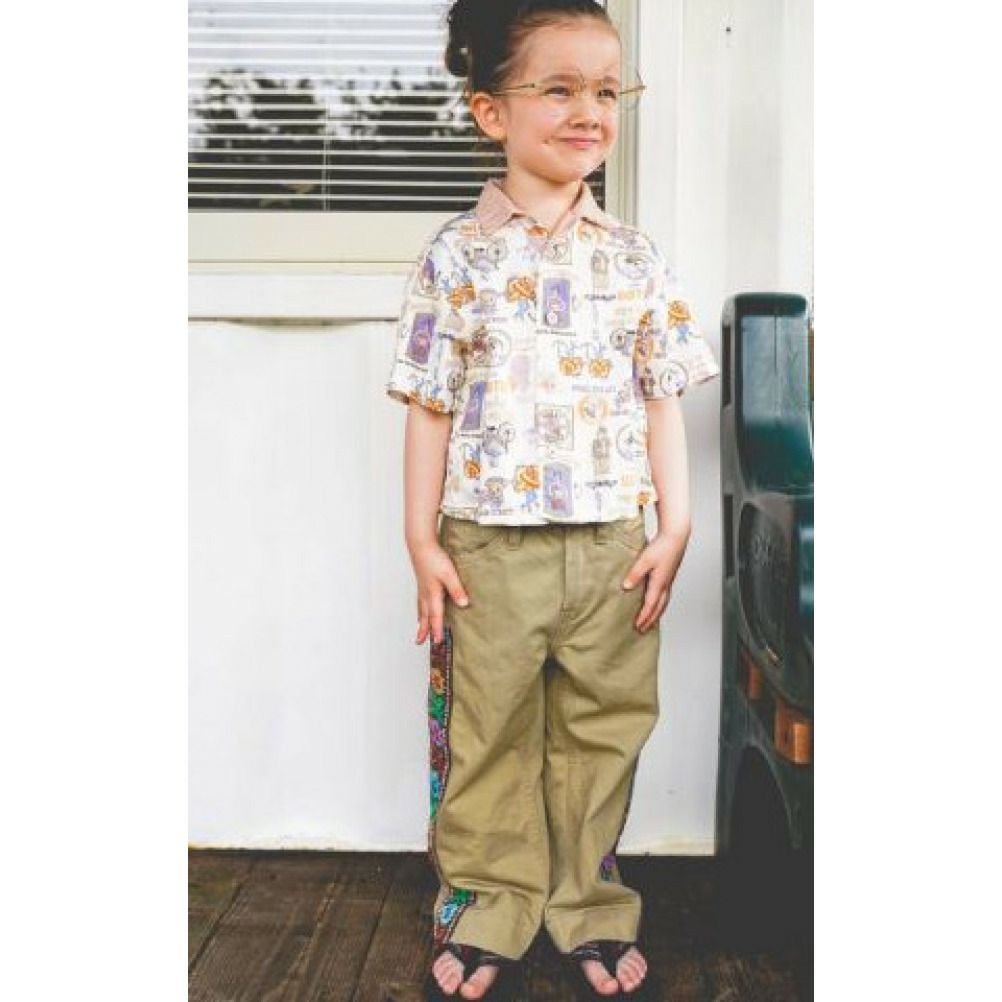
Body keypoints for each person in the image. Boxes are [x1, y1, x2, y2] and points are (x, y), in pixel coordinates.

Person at [385, 2, 720, 999]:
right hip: (488, 548)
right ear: (491, 111)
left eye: (607, 90)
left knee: (602, 731)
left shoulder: (635, 257)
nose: (589, 110)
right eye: (560, 88)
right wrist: (420, 539)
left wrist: (676, 524)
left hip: (614, 544)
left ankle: (589, 904)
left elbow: (660, 398)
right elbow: (429, 405)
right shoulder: (456, 257)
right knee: (487, 734)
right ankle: (489, 905)